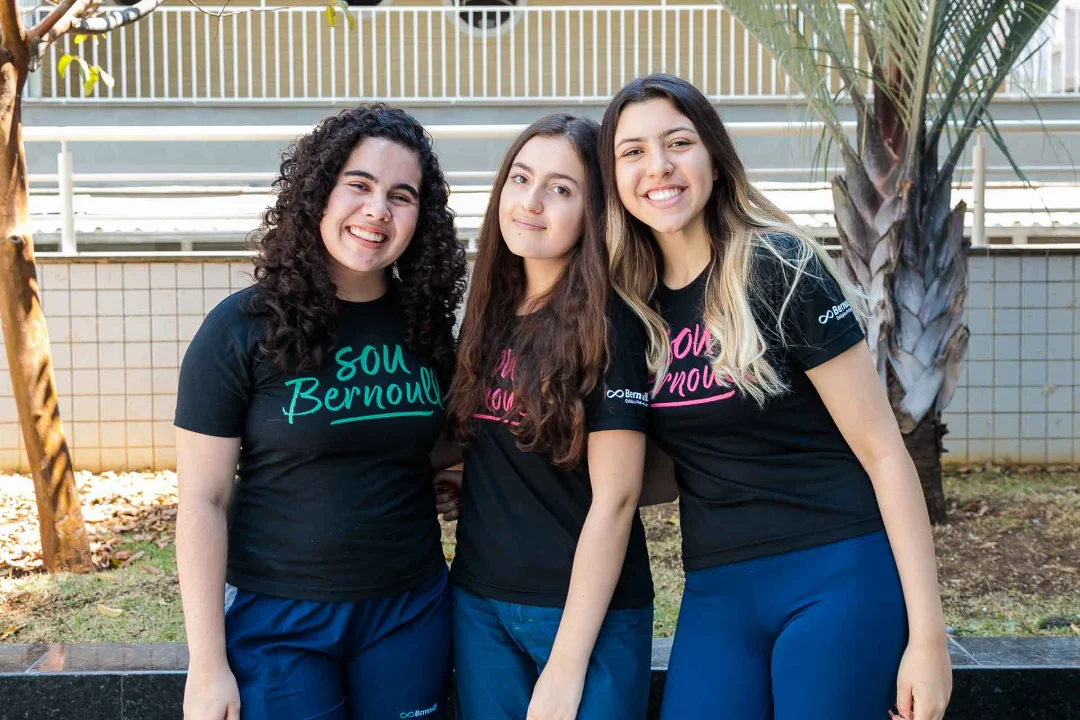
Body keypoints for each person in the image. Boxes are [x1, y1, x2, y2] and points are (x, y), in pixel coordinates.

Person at [599, 74, 952, 720]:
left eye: (678, 143)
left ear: (714, 158)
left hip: (836, 574)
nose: (659, 167)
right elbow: (668, 470)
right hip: (717, 592)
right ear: (613, 177)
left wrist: (929, 640)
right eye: (633, 152)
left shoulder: (780, 267)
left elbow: (883, 453)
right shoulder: (631, 308)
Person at [175, 103, 467, 720]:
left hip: (408, 608)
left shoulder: (427, 328)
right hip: (278, 617)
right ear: (318, 194)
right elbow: (203, 501)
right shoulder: (239, 328)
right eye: (359, 185)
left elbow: (432, 442)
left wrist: (460, 473)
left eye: (401, 196)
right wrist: (206, 664)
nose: (377, 210)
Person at [445, 113, 654, 720]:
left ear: (594, 212)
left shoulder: (610, 325)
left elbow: (618, 498)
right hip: (480, 602)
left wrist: (566, 665)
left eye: (561, 189)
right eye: (521, 178)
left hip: (585, 616)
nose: (531, 201)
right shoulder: (488, 312)